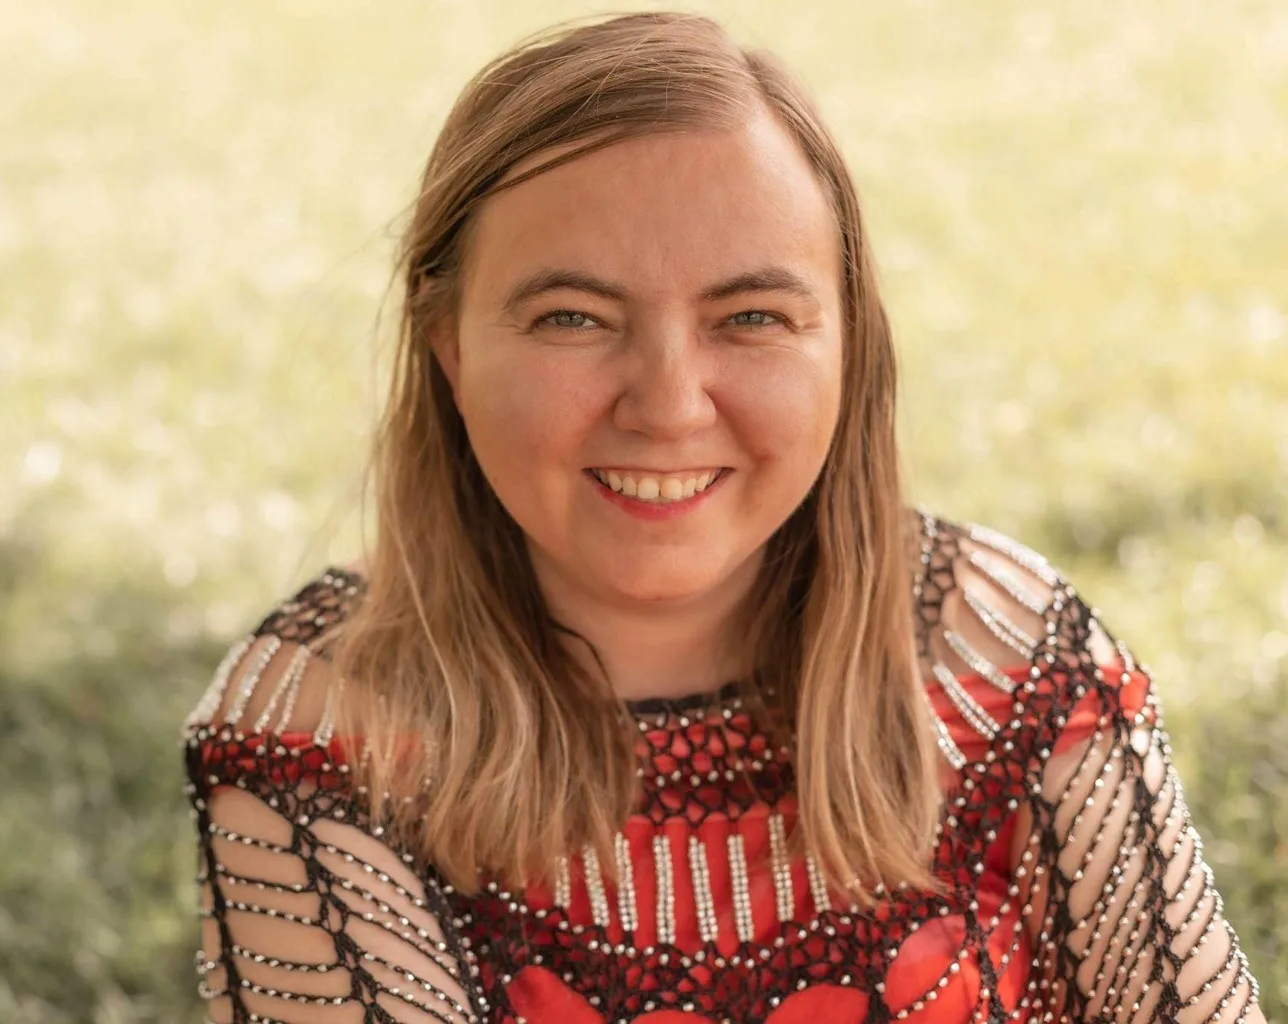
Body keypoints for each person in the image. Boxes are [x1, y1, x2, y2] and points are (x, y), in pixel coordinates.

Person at [181, 12, 1265, 1023]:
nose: (667, 403)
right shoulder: (319, 729)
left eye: (751, 316)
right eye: (572, 316)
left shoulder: (1005, 655)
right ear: (450, 346)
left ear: (847, 343)